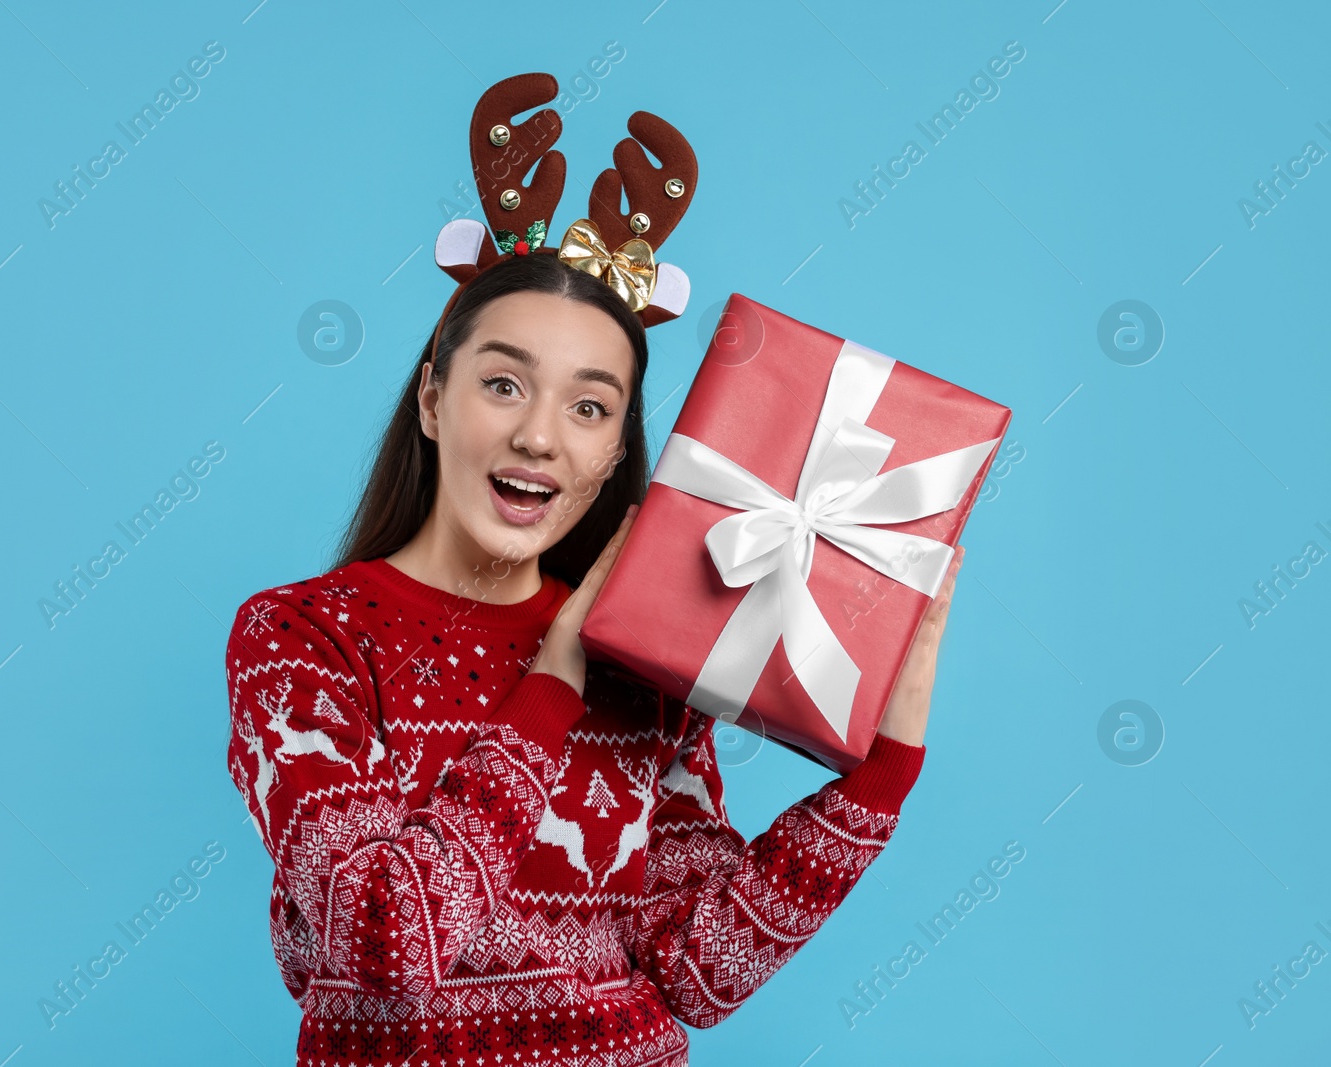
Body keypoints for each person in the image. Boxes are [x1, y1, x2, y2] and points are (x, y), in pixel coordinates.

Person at [225, 72, 961, 1066]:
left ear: (618, 451)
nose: (539, 435)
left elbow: (699, 972)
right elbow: (380, 941)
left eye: (588, 405)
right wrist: (553, 681)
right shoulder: (300, 638)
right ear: (433, 402)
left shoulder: (648, 661)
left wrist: (880, 772)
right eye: (501, 383)